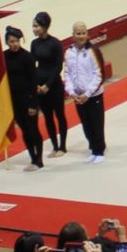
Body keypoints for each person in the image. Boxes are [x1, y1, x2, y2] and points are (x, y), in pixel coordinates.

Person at [62, 21, 110, 161]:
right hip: (78, 96)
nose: (81, 36)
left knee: (96, 123)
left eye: (83, 33)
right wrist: (71, 92)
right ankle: (93, 148)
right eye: (78, 33)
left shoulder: (93, 51)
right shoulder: (69, 52)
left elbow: (99, 74)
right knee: (86, 124)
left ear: (88, 35)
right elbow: (68, 74)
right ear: (73, 35)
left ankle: (99, 151)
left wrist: (88, 93)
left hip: (93, 94)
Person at [2, 26, 45, 170]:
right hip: (14, 101)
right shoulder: (4, 57)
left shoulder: (27, 57)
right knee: (25, 131)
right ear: (7, 43)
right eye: (11, 42)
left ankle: (39, 160)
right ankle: (32, 157)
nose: (14, 44)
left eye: (17, 41)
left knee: (33, 129)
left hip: (28, 100)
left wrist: (34, 104)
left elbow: (33, 81)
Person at [29, 11, 68, 155]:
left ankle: (63, 146)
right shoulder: (34, 43)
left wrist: (48, 85)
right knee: (47, 117)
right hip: (40, 84)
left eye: (36, 26)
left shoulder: (55, 43)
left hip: (54, 85)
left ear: (45, 27)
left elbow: (58, 66)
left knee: (59, 115)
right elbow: (32, 64)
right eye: (33, 26)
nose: (33, 29)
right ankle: (54, 146)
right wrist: (35, 85)